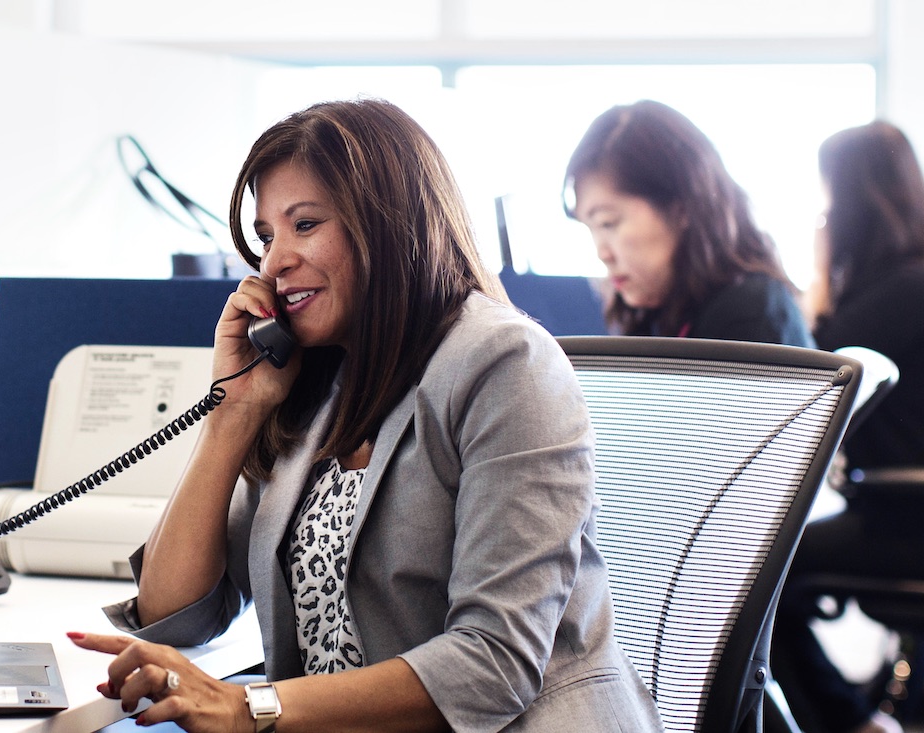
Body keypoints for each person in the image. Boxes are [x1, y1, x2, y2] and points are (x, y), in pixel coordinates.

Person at [66, 98, 665, 733]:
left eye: (304, 224)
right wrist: (231, 414)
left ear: (388, 224)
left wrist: (250, 707)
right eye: (266, 237)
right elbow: (175, 614)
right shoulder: (318, 386)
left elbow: (495, 663)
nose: (274, 262)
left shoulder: (504, 363)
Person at [772, 120, 924, 733]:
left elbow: (815, 374)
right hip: (918, 512)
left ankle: (849, 725)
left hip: (916, 521)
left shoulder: (904, 291)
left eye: (827, 206)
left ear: (852, 202)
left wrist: (821, 274)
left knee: (751, 573)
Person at [563, 99, 813, 348]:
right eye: (590, 228)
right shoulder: (663, 312)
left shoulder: (749, 313)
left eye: (608, 223)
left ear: (681, 207)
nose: (602, 254)